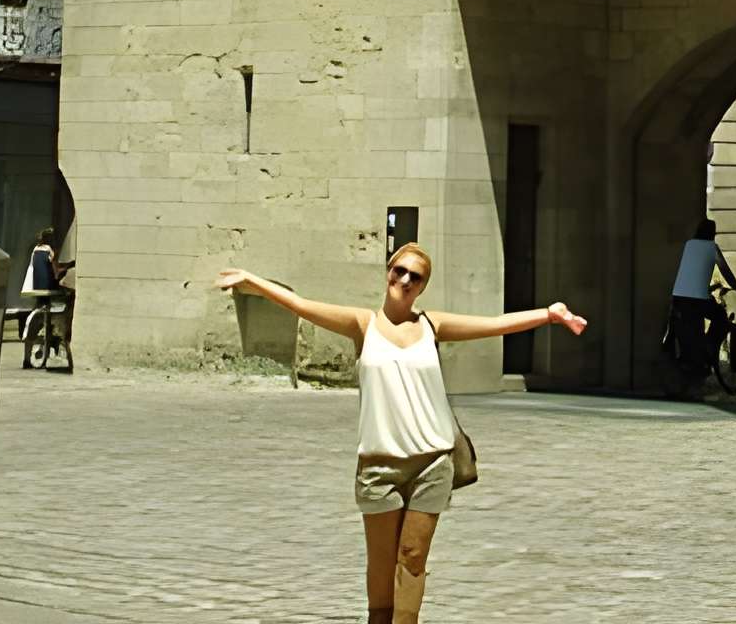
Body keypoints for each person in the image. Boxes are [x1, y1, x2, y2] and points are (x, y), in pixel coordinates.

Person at [217, 244, 586, 624]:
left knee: (412, 557)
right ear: (388, 272)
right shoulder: (362, 325)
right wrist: (251, 280)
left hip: (432, 465)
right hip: (378, 469)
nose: (406, 280)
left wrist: (549, 314)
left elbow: (494, 324)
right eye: (400, 271)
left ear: (423, 286)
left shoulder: (432, 325)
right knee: (380, 566)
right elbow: (301, 304)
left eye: (416, 276)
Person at [668, 216, 736, 378]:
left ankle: (695, 360)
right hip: (697, 300)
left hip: (679, 298)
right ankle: (709, 346)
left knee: (691, 329)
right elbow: (725, 271)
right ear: (712, 233)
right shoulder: (712, 248)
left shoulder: (689, 245)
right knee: (720, 316)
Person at [22, 227, 72, 368]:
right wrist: (69, 266)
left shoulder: (35, 250)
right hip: (48, 288)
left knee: (37, 314)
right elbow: (56, 272)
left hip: (37, 287)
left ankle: (27, 357)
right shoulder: (50, 250)